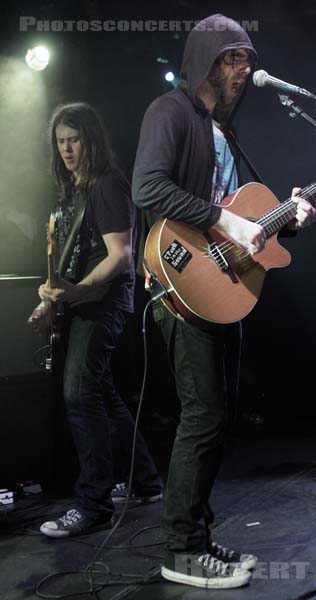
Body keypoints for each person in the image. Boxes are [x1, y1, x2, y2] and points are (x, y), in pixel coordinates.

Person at [132, 14, 316, 589]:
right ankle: (181, 550)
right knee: (203, 414)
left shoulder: (225, 133)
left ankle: (198, 536)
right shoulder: (172, 112)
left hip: (223, 286)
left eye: (248, 58)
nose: (245, 69)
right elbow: (148, 188)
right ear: (206, 58)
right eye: (234, 57)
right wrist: (225, 221)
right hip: (182, 279)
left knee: (216, 416)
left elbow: (252, 219)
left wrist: (290, 217)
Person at [28, 102, 163, 538]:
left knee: (79, 393)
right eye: (61, 142)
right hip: (83, 300)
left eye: (75, 140)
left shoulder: (107, 184)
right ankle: (145, 482)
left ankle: (92, 503)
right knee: (101, 393)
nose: (67, 149)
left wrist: (75, 291)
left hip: (106, 301)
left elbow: (121, 258)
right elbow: (67, 262)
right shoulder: (72, 190)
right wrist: (51, 299)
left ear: (91, 140)